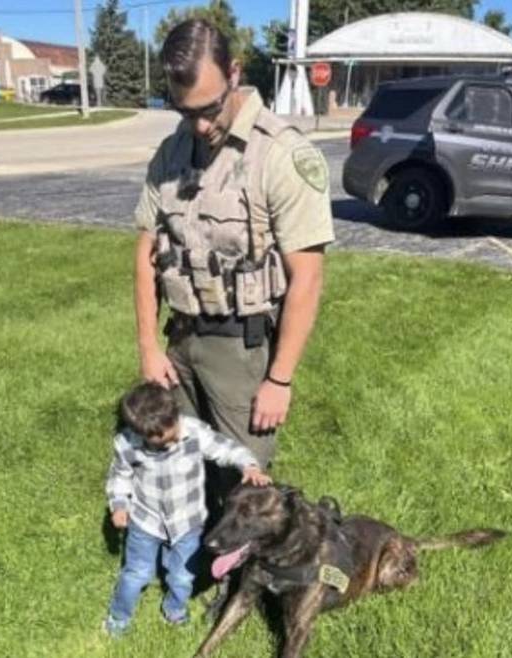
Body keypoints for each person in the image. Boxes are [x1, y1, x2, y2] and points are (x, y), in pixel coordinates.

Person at [133, 19, 335, 472]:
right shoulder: (170, 153)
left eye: (209, 108)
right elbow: (145, 252)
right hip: (179, 338)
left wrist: (279, 380)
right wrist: (148, 345)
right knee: (174, 464)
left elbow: (307, 276)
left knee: (244, 482)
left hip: (241, 348)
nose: (200, 126)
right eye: (185, 112)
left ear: (235, 73)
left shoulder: (280, 154)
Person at [103, 382, 271, 636]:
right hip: (145, 522)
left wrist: (247, 465)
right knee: (136, 573)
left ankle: (175, 610)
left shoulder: (192, 431)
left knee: (182, 576)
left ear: (175, 413)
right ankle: (118, 617)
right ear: (141, 432)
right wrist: (119, 505)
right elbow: (120, 476)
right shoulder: (128, 443)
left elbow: (225, 447)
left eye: (172, 430)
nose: (169, 440)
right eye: (159, 439)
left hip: (187, 523)